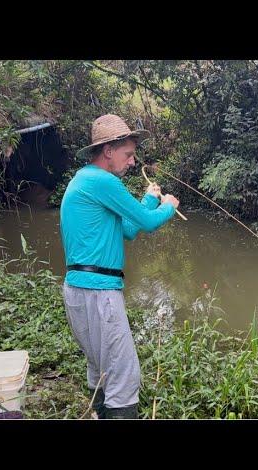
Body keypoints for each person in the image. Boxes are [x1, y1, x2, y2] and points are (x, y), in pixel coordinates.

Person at [60, 114, 179, 419]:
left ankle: (99, 413)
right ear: (108, 151)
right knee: (124, 375)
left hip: (78, 290)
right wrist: (168, 205)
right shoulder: (103, 181)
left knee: (100, 365)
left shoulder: (85, 179)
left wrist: (148, 200)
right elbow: (148, 223)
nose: (131, 162)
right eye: (127, 155)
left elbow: (127, 228)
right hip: (99, 293)